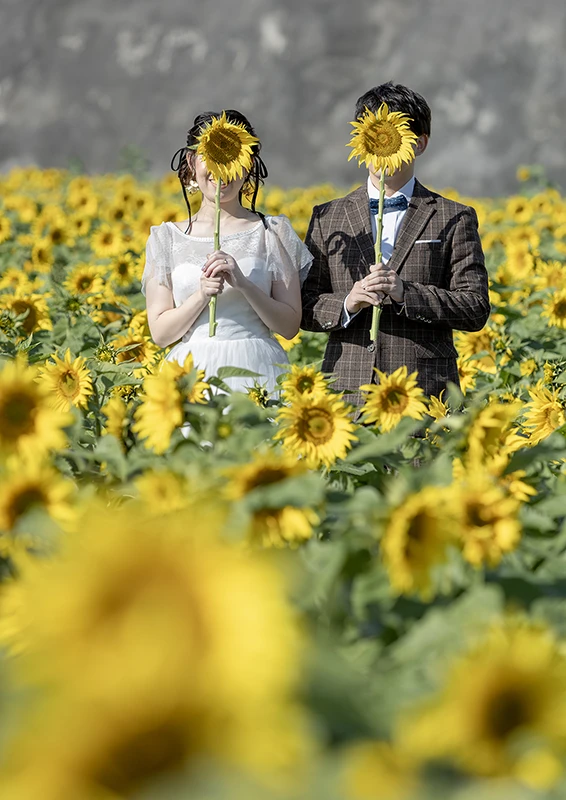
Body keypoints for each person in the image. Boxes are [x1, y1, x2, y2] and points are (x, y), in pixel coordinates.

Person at [301, 82, 490, 406]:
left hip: (424, 395)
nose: (381, 146)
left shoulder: (453, 217)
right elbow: (304, 307)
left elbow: (474, 308)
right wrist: (349, 302)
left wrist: (406, 293)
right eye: (372, 135)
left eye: (393, 135)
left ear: (420, 143)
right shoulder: (327, 217)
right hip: (347, 395)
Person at [142, 110, 312, 394]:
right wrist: (201, 295)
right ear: (191, 161)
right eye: (212, 155)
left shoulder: (273, 232)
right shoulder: (165, 238)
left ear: (249, 165)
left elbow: (289, 325)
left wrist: (243, 284)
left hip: (258, 371)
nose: (222, 169)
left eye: (233, 157)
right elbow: (160, 335)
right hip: (190, 375)